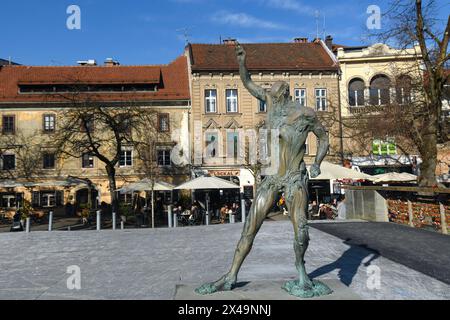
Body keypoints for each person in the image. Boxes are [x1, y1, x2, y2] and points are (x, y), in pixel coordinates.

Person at [196, 42, 331, 298]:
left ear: (285, 96)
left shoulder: (306, 114)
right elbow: (248, 84)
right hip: (270, 178)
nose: (270, 99)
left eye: (275, 95)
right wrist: (241, 63)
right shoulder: (271, 103)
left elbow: (323, 138)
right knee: (250, 227)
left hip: (293, 178)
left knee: (301, 227)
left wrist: (317, 163)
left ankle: (301, 270)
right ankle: (231, 275)